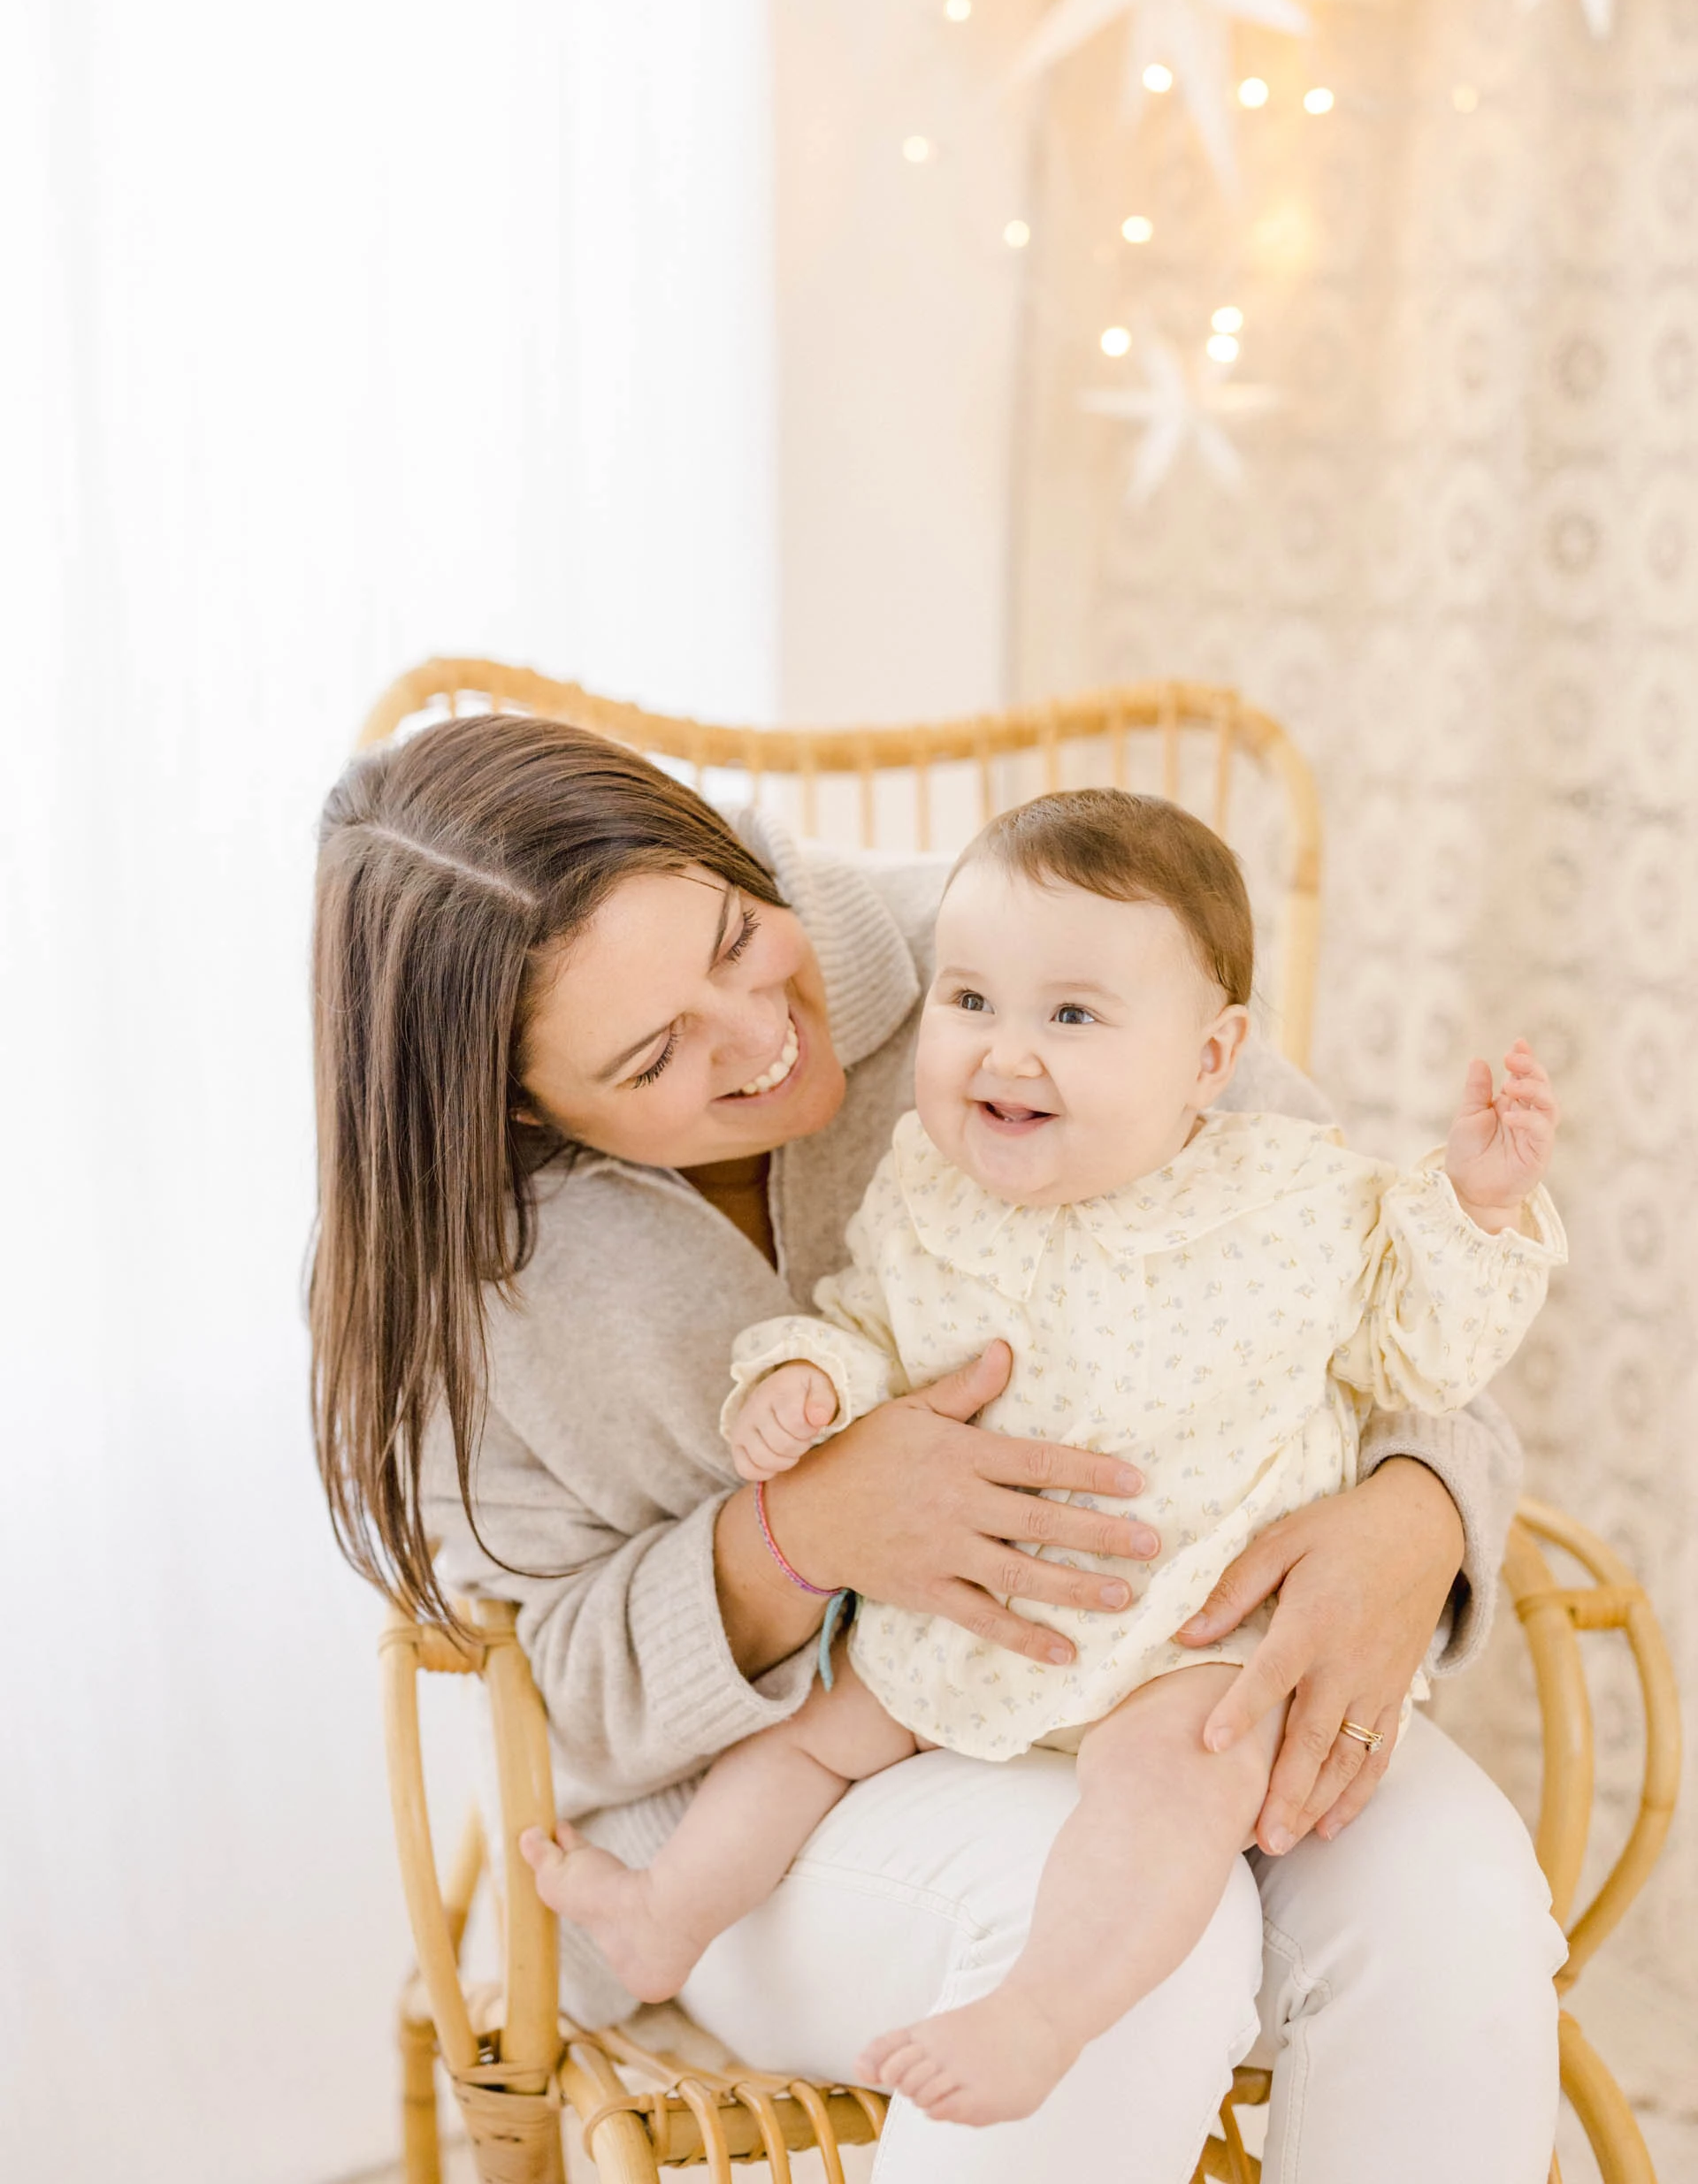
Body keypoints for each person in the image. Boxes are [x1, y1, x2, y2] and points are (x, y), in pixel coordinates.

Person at [310, 715, 1566, 2184]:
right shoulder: (455, 1274)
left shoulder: (1034, 951)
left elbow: (1353, 1287)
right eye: (657, 1054)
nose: (758, 1030)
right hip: (774, 1792)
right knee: (1123, 1963)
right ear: (519, 1108)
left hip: (1179, 1670)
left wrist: (1410, 1520)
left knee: (1461, 1907)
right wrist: (797, 1540)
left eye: (734, 938)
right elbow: (554, 1688)